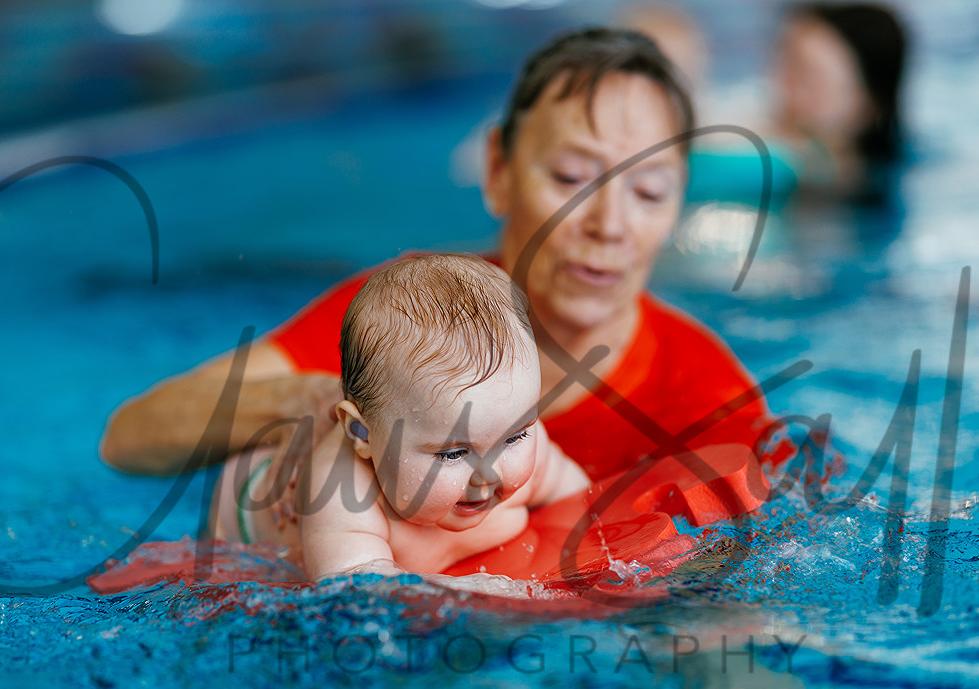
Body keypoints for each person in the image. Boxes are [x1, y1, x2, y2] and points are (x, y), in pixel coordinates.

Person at [100, 28, 772, 531]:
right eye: (571, 177)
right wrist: (320, 400)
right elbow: (129, 436)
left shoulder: (704, 399)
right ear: (498, 170)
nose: (610, 224)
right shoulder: (406, 318)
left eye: (649, 192)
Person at [212, 254, 590, 580]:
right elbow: (355, 592)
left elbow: (577, 497)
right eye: (453, 453)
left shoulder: (513, 438)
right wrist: (472, 593)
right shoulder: (343, 491)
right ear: (360, 433)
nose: (489, 474)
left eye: (515, 437)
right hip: (241, 506)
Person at [773, 2, 907, 199]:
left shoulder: (853, 187)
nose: (784, 91)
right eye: (786, 67)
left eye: (811, 80)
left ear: (868, 109)